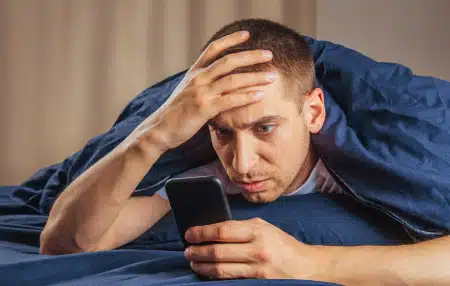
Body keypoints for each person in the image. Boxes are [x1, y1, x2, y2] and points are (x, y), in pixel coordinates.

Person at [39, 19, 450, 284]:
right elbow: (67, 244)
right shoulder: (206, 171)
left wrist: (310, 263)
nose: (242, 163)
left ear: (313, 112)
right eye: (222, 132)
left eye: (265, 128)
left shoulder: (378, 149)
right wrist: (155, 133)